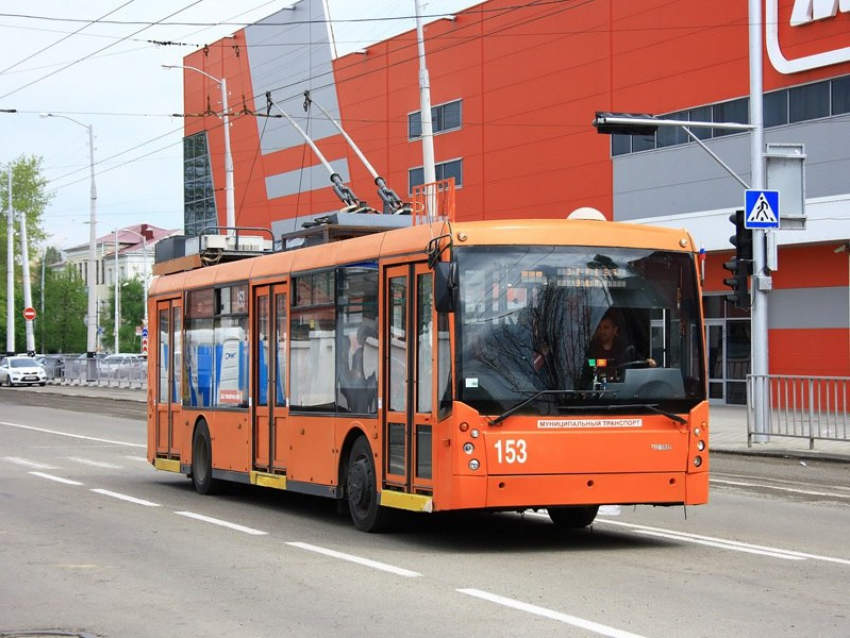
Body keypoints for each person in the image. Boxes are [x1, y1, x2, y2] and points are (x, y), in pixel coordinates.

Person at [584, 312, 655, 387]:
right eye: (599, 328)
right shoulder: (591, 349)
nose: (602, 332)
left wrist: (649, 362)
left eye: (606, 328)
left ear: (614, 330)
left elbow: (641, 363)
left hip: (621, 393)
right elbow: (587, 367)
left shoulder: (626, 349)